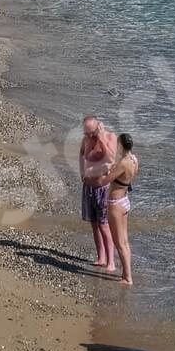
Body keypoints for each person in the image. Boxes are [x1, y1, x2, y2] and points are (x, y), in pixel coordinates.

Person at [80, 116, 117, 271]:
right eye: (86, 133)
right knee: (94, 224)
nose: (89, 136)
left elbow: (110, 157)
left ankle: (111, 261)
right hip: (89, 186)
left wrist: (101, 138)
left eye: (91, 133)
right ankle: (100, 257)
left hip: (102, 187)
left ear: (99, 127)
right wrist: (82, 172)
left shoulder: (110, 137)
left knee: (104, 225)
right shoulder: (87, 140)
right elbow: (83, 155)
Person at [104, 133, 139, 285]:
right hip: (124, 200)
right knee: (124, 241)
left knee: (119, 242)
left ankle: (127, 277)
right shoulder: (134, 160)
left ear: (121, 145)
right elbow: (125, 176)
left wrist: (107, 171)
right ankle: (126, 273)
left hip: (116, 203)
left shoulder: (124, 162)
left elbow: (106, 180)